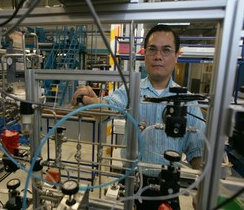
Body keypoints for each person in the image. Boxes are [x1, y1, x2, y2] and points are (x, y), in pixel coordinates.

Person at [71, 24, 206, 210]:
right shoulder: (131, 90)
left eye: (166, 50)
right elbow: (108, 110)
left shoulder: (187, 101)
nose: (158, 56)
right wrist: (93, 100)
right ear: (145, 54)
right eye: (152, 49)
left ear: (176, 56)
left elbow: (197, 152)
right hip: (133, 182)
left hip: (169, 186)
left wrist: (204, 188)